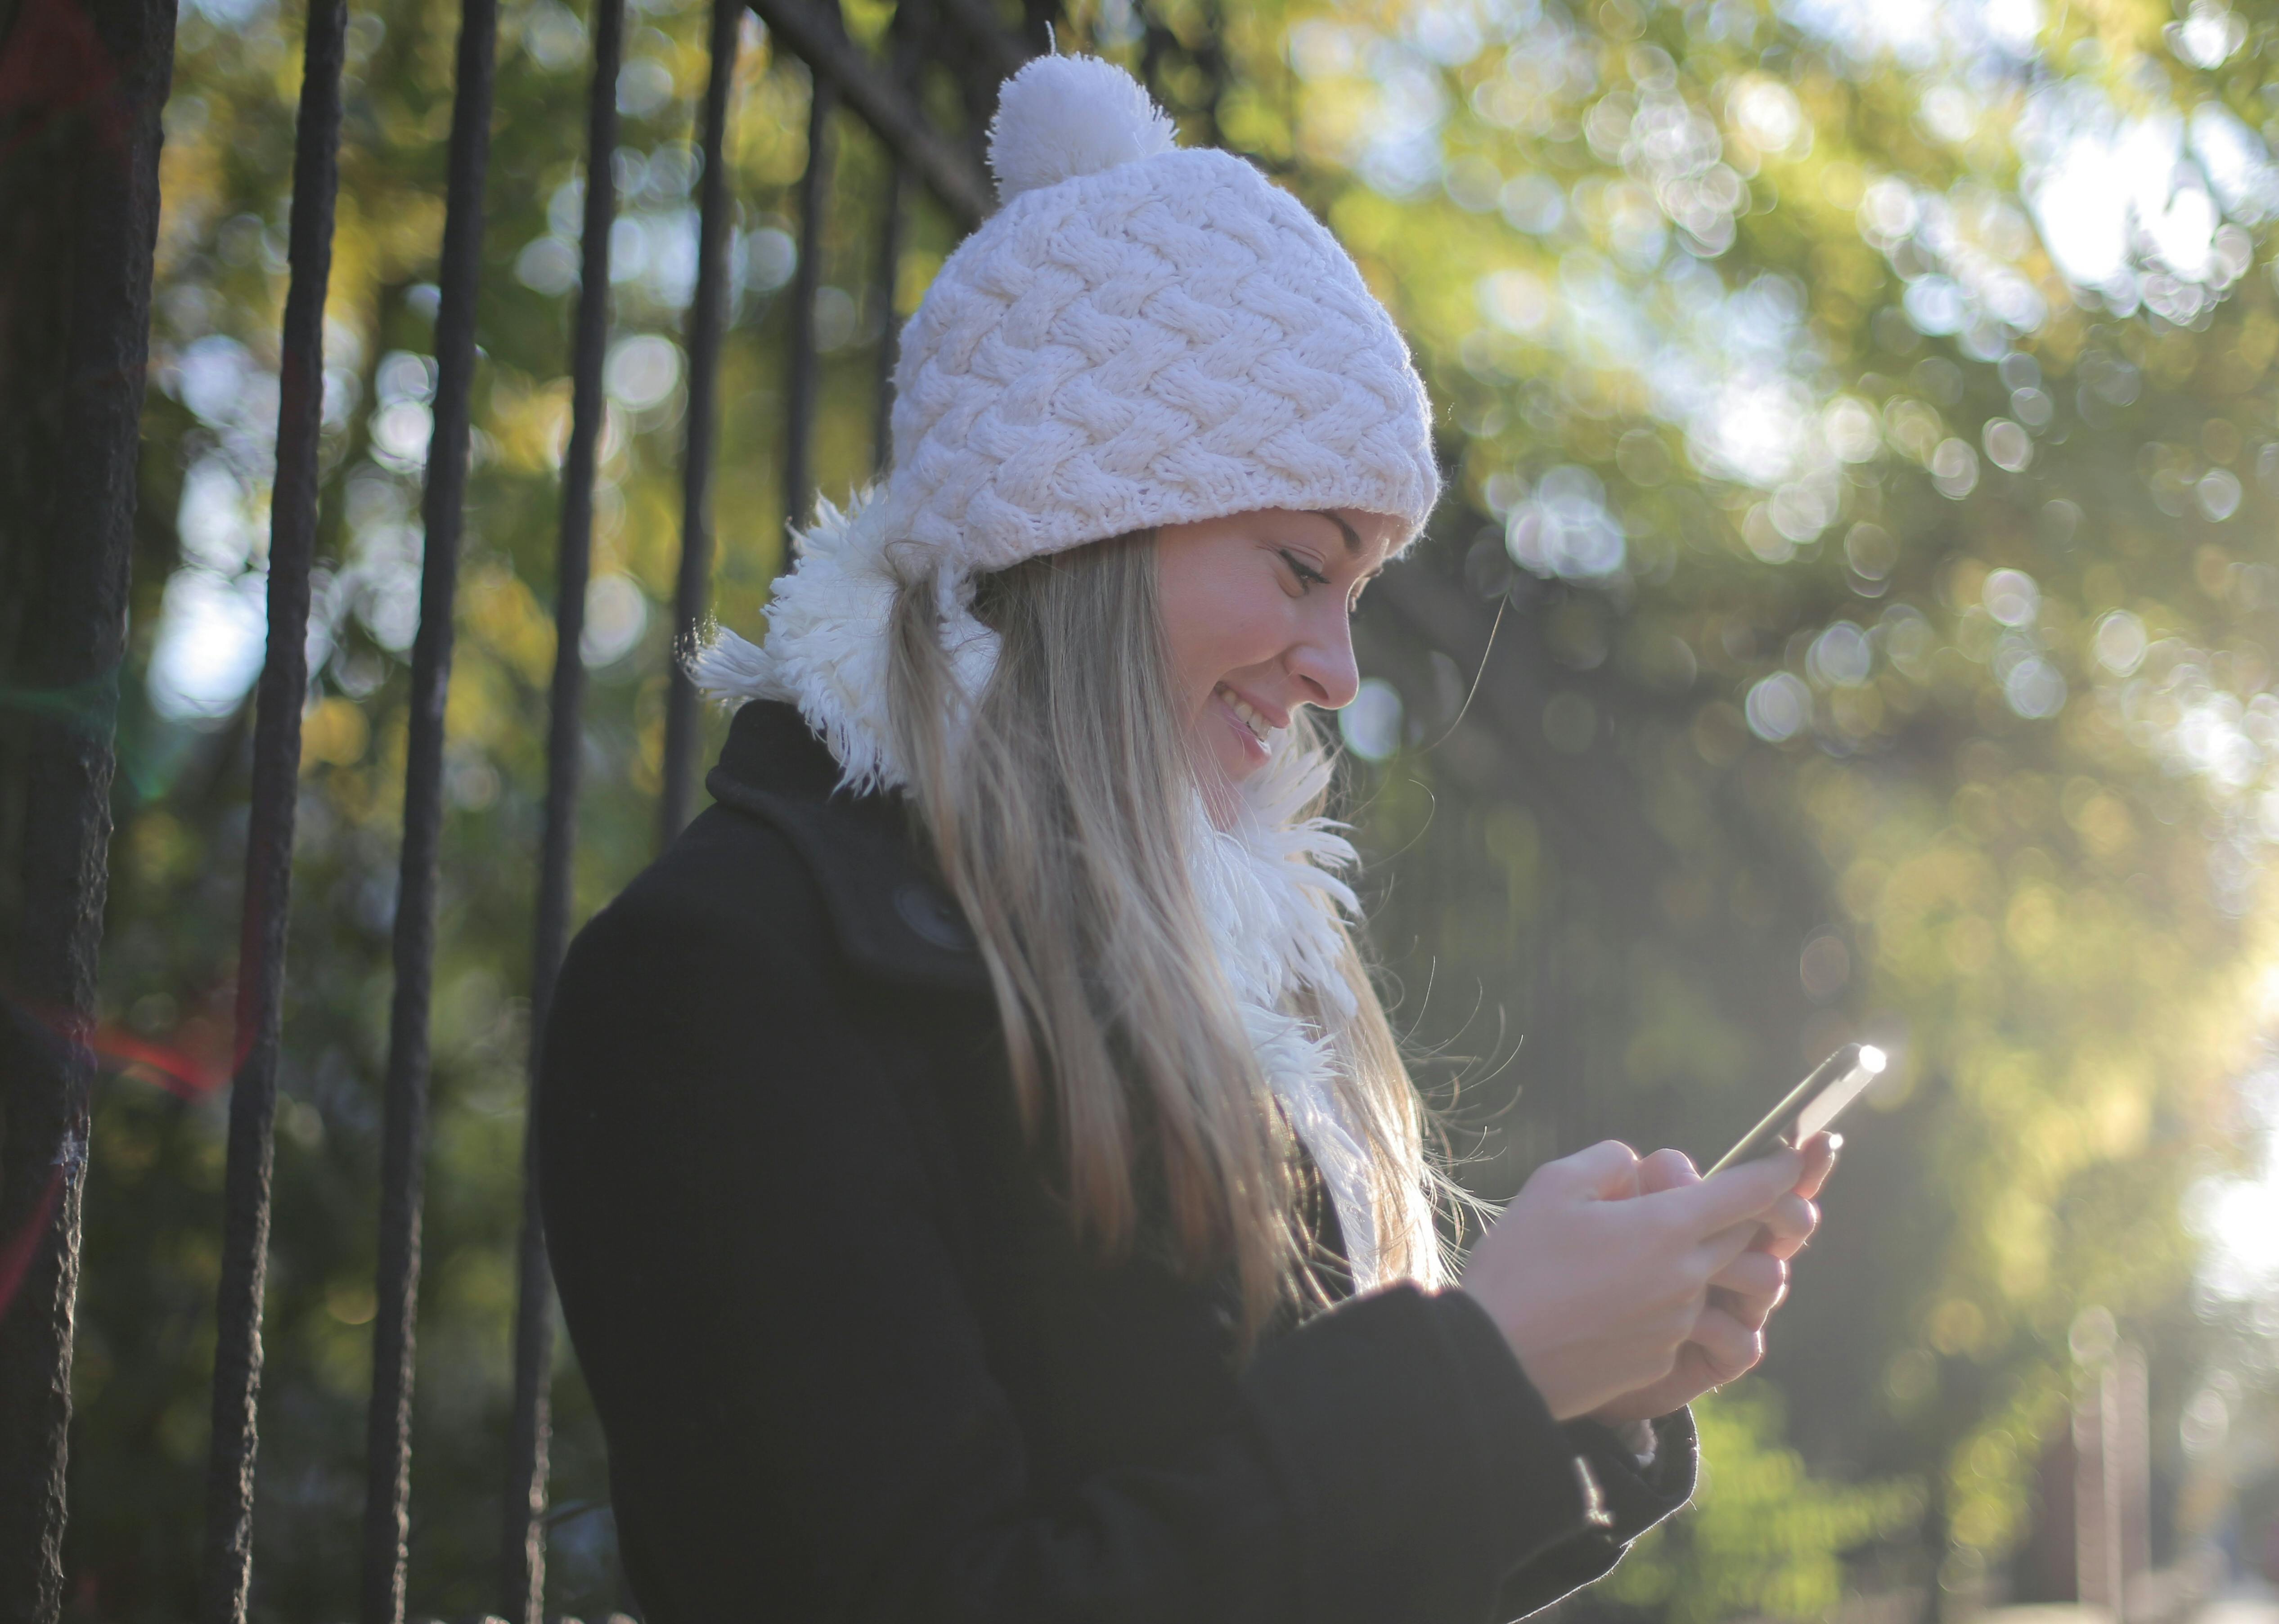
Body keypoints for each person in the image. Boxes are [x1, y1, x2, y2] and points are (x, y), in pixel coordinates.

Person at [536, 51, 1836, 1623]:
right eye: (1300, 566)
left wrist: (1568, 1387)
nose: (1339, 669)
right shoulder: (731, 974)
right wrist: (1475, 1370)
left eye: (1357, 593)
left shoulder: (1222, 974)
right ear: (1073, 525)